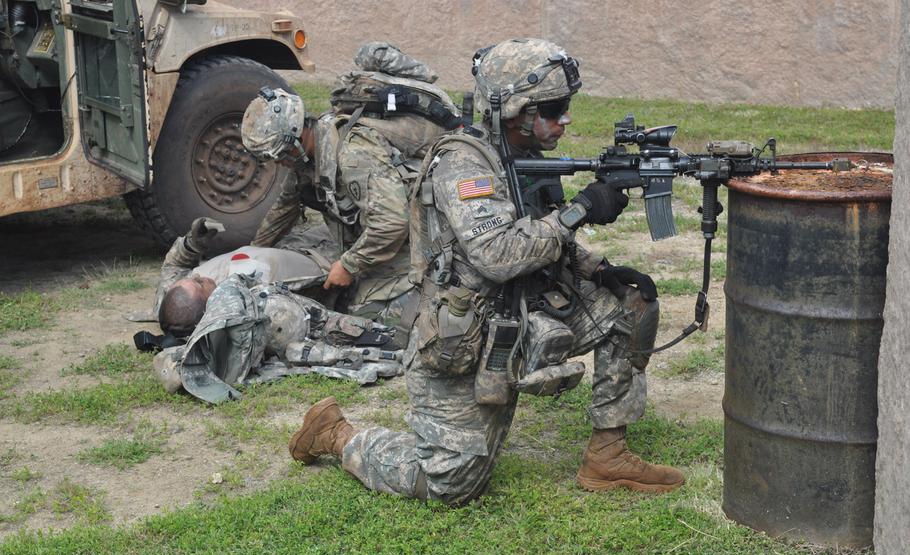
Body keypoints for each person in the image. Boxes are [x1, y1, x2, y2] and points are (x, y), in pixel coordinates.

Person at [288, 38, 684, 505]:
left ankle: (608, 453)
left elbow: (538, 233)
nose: (566, 119)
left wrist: (601, 269)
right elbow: (497, 253)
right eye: (554, 109)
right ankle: (336, 434)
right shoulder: (463, 164)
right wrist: (581, 209)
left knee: (628, 307)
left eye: (565, 107)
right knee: (448, 484)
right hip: (470, 338)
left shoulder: (517, 158)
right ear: (515, 112)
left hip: (525, 308)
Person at [241, 43, 461, 347]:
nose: (278, 164)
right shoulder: (307, 158)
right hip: (393, 237)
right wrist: (250, 256)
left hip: (421, 239)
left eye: (278, 155)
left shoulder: (353, 153)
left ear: (294, 140)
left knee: (361, 313)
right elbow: (283, 209)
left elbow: (392, 223)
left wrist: (349, 265)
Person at [154, 217, 333, 338]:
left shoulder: (171, 301)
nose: (199, 276)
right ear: (210, 308)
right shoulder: (253, 306)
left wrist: (192, 242)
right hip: (325, 256)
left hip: (287, 243)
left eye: (194, 278)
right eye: (200, 284)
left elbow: (173, 266)